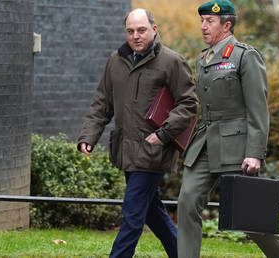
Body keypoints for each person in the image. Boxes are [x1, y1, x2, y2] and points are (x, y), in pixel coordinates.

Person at [177, 1, 279, 257]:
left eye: (209, 21)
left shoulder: (245, 56)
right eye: (201, 20)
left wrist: (255, 152)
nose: (203, 26)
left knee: (249, 215)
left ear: (227, 25)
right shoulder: (203, 58)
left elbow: (258, 108)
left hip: (237, 145)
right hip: (205, 142)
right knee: (187, 201)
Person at [77, 8, 198, 258]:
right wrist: (88, 136)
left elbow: (188, 104)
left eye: (141, 30)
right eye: (130, 31)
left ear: (154, 29)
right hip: (126, 150)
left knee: (132, 214)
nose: (136, 36)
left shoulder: (172, 61)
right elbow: (102, 103)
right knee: (152, 212)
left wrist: (163, 134)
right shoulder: (115, 60)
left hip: (154, 150)